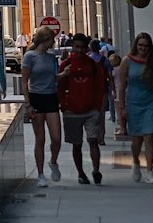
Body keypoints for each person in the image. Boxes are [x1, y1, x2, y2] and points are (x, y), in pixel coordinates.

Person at [116, 32, 153, 184]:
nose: (143, 48)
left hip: (150, 102)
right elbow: (122, 85)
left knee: (149, 136)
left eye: (146, 46)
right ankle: (135, 162)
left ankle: (150, 171)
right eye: (140, 45)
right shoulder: (127, 61)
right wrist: (121, 107)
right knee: (137, 139)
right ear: (136, 45)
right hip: (134, 102)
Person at [58, 33, 107, 184]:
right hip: (72, 110)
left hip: (91, 109)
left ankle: (96, 170)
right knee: (76, 143)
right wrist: (63, 105)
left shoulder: (94, 65)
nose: (79, 50)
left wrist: (98, 107)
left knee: (93, 140)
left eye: (82, 47)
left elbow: (100, 87)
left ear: (87, 48)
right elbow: (60, 87)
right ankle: (81, 173)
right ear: (73, 46)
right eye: (77, 47)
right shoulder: (65, 65)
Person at [21, 25, 63, 187]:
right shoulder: (30, 57)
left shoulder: (52, 57)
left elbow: (54, 77)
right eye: (52, 39)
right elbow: (24, 81)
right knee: (40, 139)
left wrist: (63, 75)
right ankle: (40, 174)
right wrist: (28, 104)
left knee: (56, 138)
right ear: (46, 40)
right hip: (36, 97)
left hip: (51, 97)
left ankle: (53, 161)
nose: (53, 42)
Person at [88, 39, 115, 139]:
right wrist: (113, 90)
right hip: (103, 89)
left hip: (89, 90)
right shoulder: (104, 60)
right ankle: (101, 137)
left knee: (91, 114)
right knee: (101, 114)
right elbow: (110, 76)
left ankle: (93, 135)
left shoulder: (87, 59)